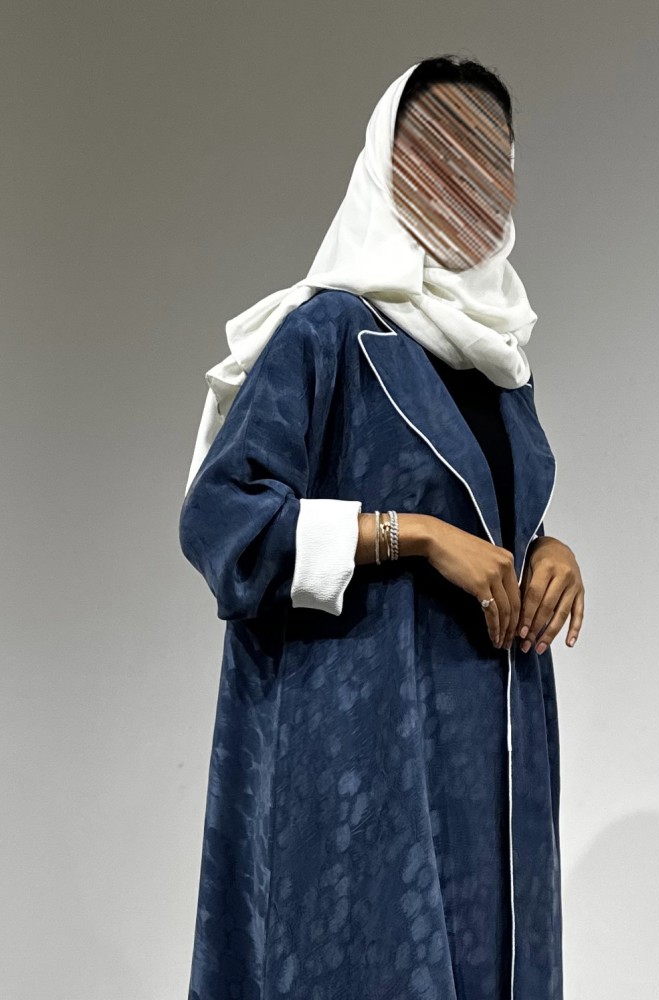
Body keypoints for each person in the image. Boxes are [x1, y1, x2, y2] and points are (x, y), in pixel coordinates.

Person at [179, 54, 585, 1000]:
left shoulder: (499, 361)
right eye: (437, 149)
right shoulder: (326, 332)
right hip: (363, 745)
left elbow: (488, 514)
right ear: (386, 165)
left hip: (491, 751)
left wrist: (549, 551)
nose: (467, 177)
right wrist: (414, 537)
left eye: (489, 154)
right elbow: (222, 521)